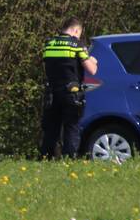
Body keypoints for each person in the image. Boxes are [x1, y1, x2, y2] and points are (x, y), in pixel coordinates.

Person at [39, 17, 98, 158]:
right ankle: (69, 159)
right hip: (71, 93)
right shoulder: (76, 45)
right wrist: (93, 60)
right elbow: (92, 70)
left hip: (52, 93)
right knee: (71, 127)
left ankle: (46, 158)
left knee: (51, 129)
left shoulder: (49, 44)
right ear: (76, 30)